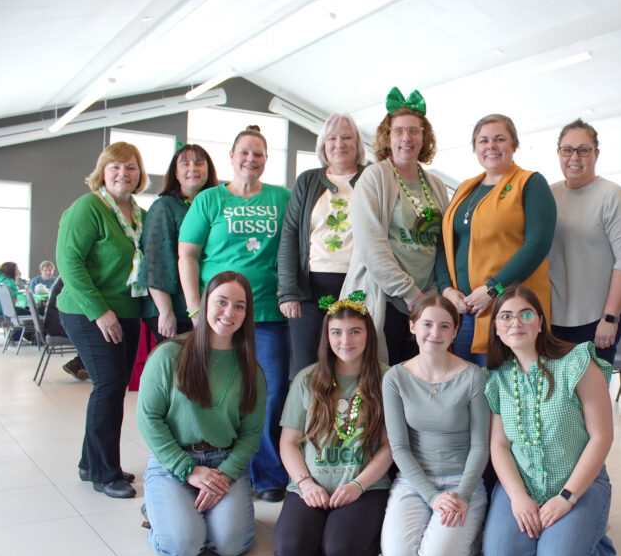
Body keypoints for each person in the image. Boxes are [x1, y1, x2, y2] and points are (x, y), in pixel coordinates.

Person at [179, 125, 292, 502]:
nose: (251, 159)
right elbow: (187, 255)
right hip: (218, 316)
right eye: (244, 152)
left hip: (268, 314)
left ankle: (268, 475)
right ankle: (215, 466)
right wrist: (195, 308)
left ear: (266, 159)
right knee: (217, 391)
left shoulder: (282, 198)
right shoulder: (209, 200)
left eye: (258, 154)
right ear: (231, 156)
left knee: (270, 394)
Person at [480, 285, 615, 556]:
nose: (516, 322)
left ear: (540, 323)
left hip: (577, 483)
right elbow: (499, 446)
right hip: (524, 485)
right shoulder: (497, 379)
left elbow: (602, 437)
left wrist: (567, 498)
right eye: (506, 317)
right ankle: (552, 541)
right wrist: (518, 497)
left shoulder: (577, 363)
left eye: (526, 314)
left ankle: (595, 541)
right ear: (496, 329)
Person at [136, 271, 266, 556]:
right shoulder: (169, 355)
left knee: (231, 545)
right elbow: (148, 419)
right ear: (205, 303)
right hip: (174, 461)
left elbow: (251, 434)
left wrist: (224, 475)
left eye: (239, 306)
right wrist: (188, 470)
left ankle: (192, 514)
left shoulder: (251, 370)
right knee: (182, 548)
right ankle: (160, 513)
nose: (229, 312)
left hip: (225, 464)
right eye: (221, 302)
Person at [273, 291, 393, 556]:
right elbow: (289, 442)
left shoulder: (387, 379)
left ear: (369, 335)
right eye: (336, 332)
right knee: (291, 553)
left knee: (344, 555)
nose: (345, 341)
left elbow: (390, 446)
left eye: (355, 332)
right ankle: (323, 530)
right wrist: (305, 484)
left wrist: (358, 485)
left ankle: (341, 532)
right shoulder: (307, 379)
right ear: (326, 336)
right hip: (311, 484)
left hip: (364, 484)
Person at [57, 142, 148, 498]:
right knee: (108, 386)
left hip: (127, 311)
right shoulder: (88, 208)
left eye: (131, 167)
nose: (123, 173)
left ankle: (89, 462)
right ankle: (104, 473)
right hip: (88, 311)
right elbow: (70, 263)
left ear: (140, 174)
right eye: (115, 167)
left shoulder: (138, 214)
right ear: (102, 172)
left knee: (114, 388)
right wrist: (100, 311)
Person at [379, 295, 489, 556]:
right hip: (414, 482)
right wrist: (431, 496)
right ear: (412, 326)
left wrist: (462, 495)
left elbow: (480, 446)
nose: (435, 333)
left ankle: (472, 537)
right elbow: (399, 448)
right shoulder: (395, 378)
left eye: (444, 326)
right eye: (427, 324)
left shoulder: (473, 377)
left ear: (455, 332)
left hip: (461, 483)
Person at [341, 88, 449, 365]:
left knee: (422, 376)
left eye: (414, 131)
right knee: (384, 376)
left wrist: (431, 296)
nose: (406, 138)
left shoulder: (436, 184)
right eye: (398, 131)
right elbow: (371, 246)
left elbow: (443, 244)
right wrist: (411, 295)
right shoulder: (374, 177)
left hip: (425, 305)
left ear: (424, 137)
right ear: (387, 137)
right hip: (386, 301)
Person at [438, 114, 556, 365]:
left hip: (509, 311)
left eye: (499, 139)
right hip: (464, 312)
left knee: (506, 386)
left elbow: (537, 245)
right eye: (483, 140)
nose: (490, 145)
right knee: (466, 385)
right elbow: (444, 244)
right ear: (475, 147)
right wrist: (447, 290)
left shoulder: (531, 183)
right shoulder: (465, 188)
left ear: (514, 144)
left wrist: (493, 289)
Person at [278, 113, 368, 379]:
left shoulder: (371, 177)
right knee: (305, 368)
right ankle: (305, 409)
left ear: (358, 143)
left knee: (354, 365)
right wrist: (288, 291)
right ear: (323, 145)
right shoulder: (307, 181)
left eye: (346, 137)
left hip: (358, 284)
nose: (339, 144)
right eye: (332, 138)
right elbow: (290, 235)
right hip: (311, 289)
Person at [548, 119, 621, 365]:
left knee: (591, 391)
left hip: (597, 320)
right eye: (567, 150)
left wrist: (610, 318)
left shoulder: (613, 196)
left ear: (596, 154)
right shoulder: (549, 195)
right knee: (557, 391)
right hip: (555, 320)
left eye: (583, 150)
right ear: (559, 153)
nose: (574, 157)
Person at [142, 144, 219, 344]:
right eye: (185, 164)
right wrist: (166, 311)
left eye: (199, 163)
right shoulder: (164, 207)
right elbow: (154, 262)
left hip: (209, 305)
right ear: (175, 172)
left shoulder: (213, 205)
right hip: (174, 309)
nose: (193, 168)